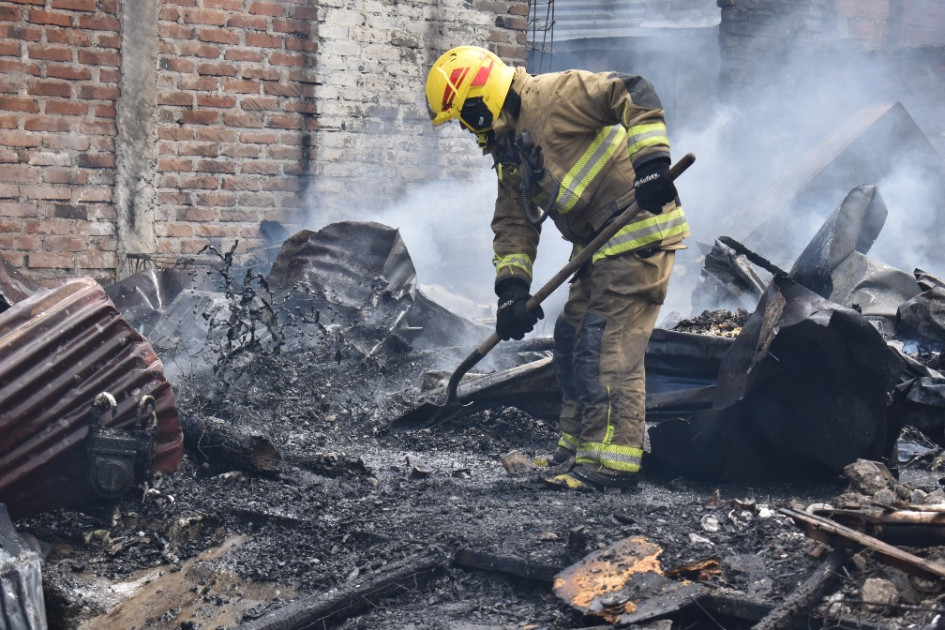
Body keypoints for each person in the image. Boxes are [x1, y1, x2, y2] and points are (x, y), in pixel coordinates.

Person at [424, 46, 689, 492]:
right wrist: (511, 291)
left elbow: (631, 90)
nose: (468, 130)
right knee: (570, 342)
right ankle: (577, 448)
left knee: (605, 345)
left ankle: (610, 462)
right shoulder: (510, 146)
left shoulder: (553, 95)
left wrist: (651, 164)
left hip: (639, 234)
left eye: (464, 117)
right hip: (597, 247)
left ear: (478, 98)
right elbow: (513, 221)